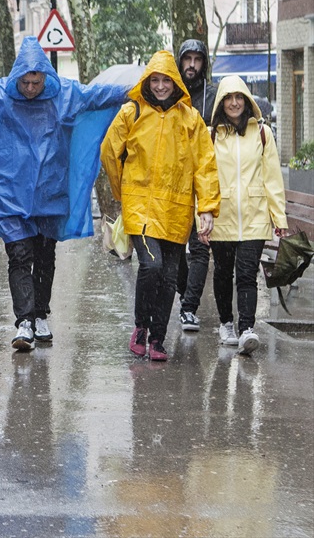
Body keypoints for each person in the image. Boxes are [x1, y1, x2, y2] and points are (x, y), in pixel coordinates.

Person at [0, 36, 128, 351]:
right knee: (19, 255)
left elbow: (95, 96)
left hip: (50, 192)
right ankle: (24, 321)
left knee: (44, 256)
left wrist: (130, 92)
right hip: (10, 194)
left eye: (35, 81)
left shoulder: (64, 95)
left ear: (45, 76)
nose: (30, 87)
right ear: (17, 77)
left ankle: (41, 314)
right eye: (25, 81)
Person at [100, 51, 220, 362]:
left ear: (176, 81)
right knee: (151, 266)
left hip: (177, 209)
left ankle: (158, 338)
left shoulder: (191, 119)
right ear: (147, 81)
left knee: (169, 276)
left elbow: (205, 165)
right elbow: (110, 152)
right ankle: (141, 327)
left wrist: (206, 207)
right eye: (155, 79)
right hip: (140, 207)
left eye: (167, 79)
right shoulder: (132, 112)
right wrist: (122, 191)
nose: (161, 85)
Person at [209, 75, 288, 355]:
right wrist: (202, 216)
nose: (234, 103)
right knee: (222, 273)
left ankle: (246, 329)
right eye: (228, 98)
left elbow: (272, 178)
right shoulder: (212, 135)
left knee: (246, 273)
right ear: (221, 102)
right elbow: (204, 179)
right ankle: (226, 323)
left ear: (247, 100)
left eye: (239, 97)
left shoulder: (262, 133)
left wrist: (279, 218)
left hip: (254, 216)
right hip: (222, 217)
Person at [174, 39, 218, 332]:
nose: (192, 65)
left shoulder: (214, 95)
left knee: (200, 247)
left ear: (204, 63)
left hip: (203, 181)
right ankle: (183, 292)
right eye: (187, 59)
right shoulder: (170, 92)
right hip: (174, 184)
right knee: (175, 248)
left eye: (197, 59)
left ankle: (189, 307)